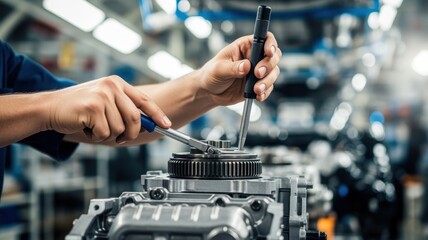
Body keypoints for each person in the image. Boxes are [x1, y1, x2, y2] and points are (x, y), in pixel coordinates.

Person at [0, 33, 282, 196]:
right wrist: (47, 108)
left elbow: (109, 111)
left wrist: (204, 88)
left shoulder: (4, 60)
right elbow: (54, 106)